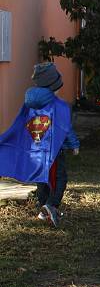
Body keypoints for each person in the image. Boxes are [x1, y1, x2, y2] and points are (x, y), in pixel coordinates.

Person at [0, 62, 79, 226]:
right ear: (54, 85)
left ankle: (43, 208)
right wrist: (74, 144)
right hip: (54, 151)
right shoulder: (58, 105)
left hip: (35, 151)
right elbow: (66, 127)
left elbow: (20, 124)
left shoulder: (29, 104)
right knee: (59, 180)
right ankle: (51, 206)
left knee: (42, 179)